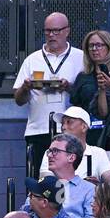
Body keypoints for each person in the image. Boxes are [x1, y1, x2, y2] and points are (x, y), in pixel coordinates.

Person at [13, 11, 84, 171]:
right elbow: (18, 100)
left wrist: (69, 87)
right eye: (48, 31)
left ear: (67, 31)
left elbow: (87, 95)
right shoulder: (32, 60)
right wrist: (26, 87)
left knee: (70, 179)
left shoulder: (80, 58)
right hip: (38, 130)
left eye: (56, 31)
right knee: (39, 181)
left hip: (72, 132)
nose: (51, 35)